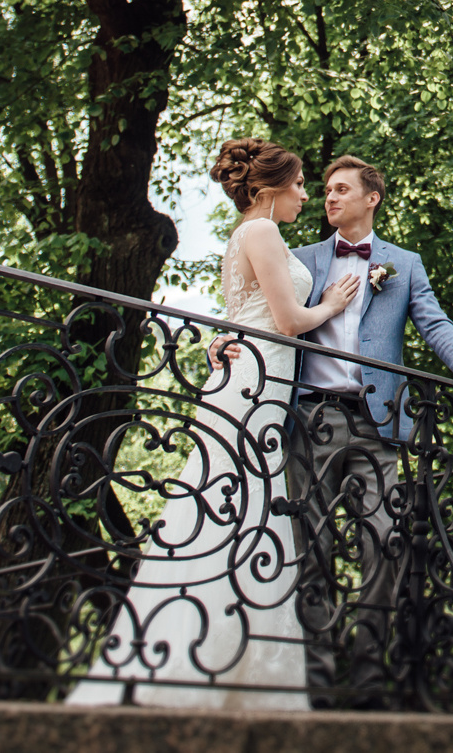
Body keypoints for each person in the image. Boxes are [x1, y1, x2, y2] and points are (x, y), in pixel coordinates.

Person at [68, 137, 335, 709]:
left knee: (242, 509)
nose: (305, 194)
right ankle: (200, 660)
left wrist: (224, 338)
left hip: (257, 382)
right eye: (300, 184)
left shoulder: (254, 234)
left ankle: (231, 658)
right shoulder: (261, 231)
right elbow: (287, 321)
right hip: (254, 385)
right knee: (234, 506)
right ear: (268, 190)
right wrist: (332, 305)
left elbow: (245, 313)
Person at [284, 153, 453, 706]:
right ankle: (317, 682)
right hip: (310, 418)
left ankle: (367, 679)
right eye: (325, 191)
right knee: (309, 550)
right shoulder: (300, 259)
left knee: (386, 542)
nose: (329, 198)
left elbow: (436, 325)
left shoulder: (403, 264)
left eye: (342, 189)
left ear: (373, 198)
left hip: (379, 424)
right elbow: (273, 319)